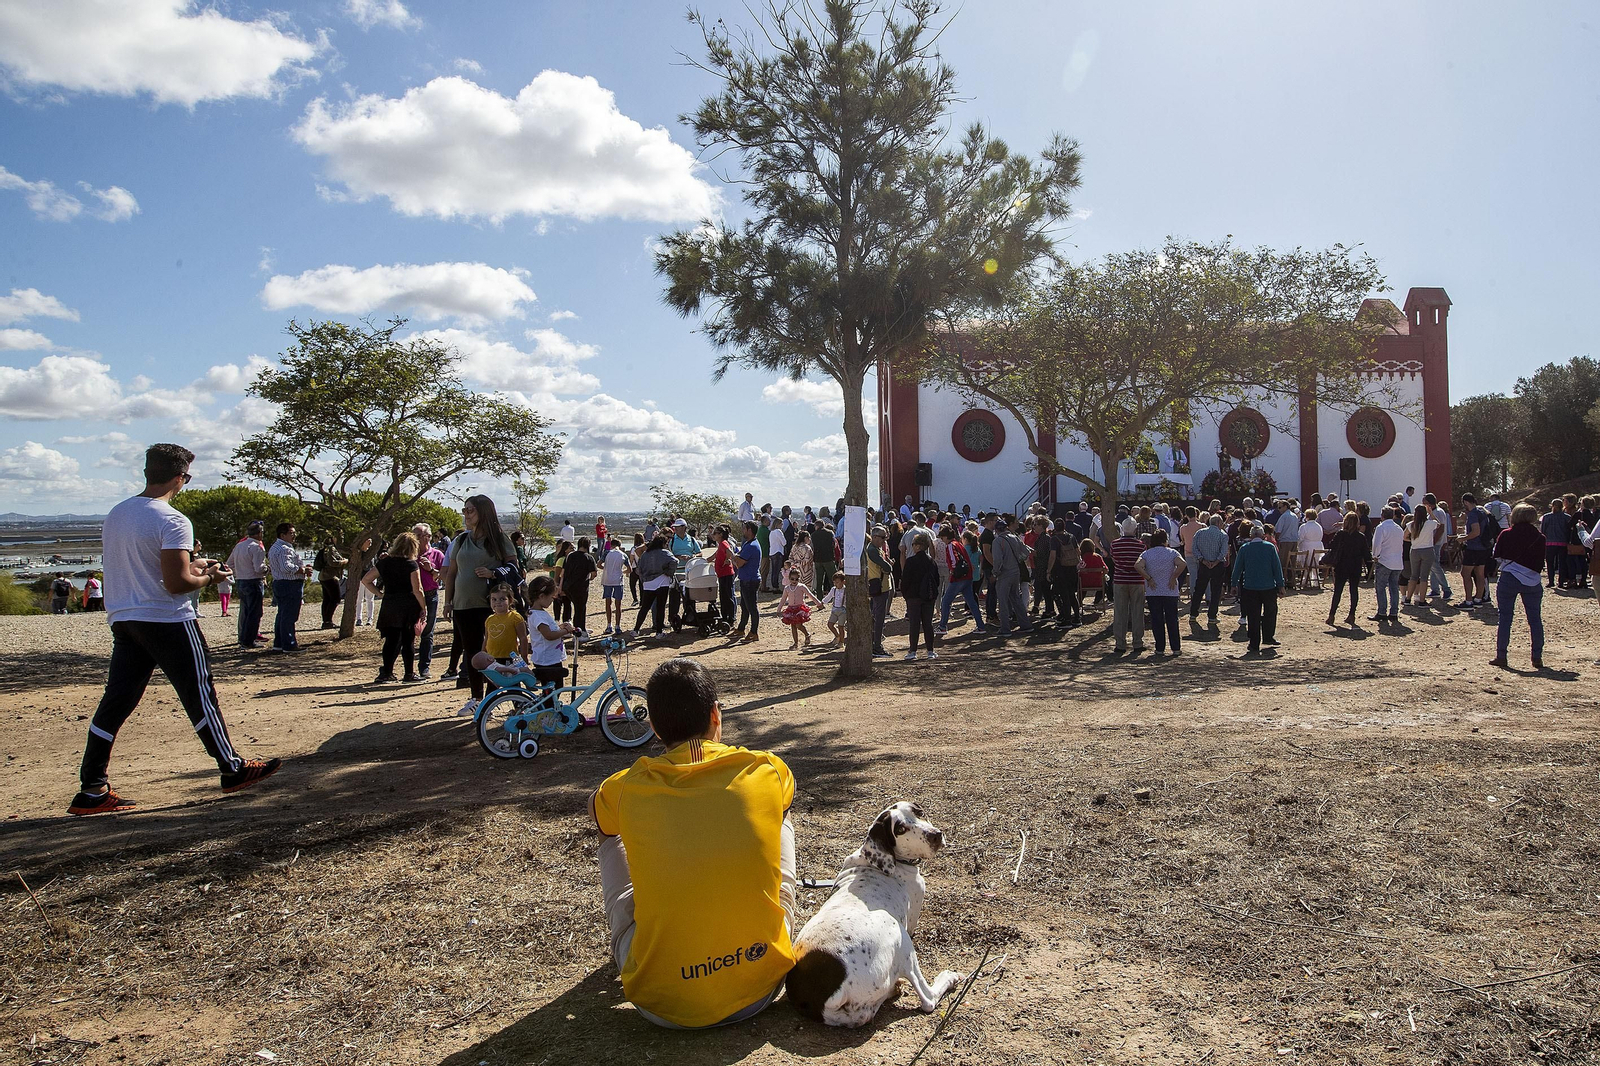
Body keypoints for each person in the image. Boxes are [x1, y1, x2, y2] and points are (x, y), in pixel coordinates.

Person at [68, 443, 280, 816]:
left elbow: (148, 567)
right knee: (199, 694)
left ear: (149, 471)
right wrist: (209, 576)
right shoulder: (173, 519)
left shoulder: (118, 514)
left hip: (126, 618)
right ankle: (231, 767)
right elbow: (177, 584)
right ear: (181, 477)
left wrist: (193, 564)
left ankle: (92, 787)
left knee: (116, 702)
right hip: (167, 619)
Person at [591, 659, 796, 1029]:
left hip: (663, 1005)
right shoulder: (767, 768)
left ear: (653, 727)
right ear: (716, 715)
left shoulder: (623, 788)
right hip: (761, 988)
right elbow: (780, 809)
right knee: (780, 815)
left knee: (610, 835)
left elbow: (598, 817)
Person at [443, 494, 517, 718]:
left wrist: (493, 573)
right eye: (464, 510)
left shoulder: (499, 539)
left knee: (494, 653)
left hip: (492, 607)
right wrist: (448, 601)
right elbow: (452, 573)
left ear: (483, 512)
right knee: (472, 652)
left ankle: (491, 699)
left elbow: (514, 568)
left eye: (470, 510)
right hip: (463, 606)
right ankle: (476, 698)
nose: (466, 514)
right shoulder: (462, 540)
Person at [1491, 503, 1547, 670]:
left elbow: (1497, 554)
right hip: (1533, 580)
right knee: (1535, 619)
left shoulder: (1506, 534)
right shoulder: (1540, 537)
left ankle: (1502, 656)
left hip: (1509, 577)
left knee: (1505, 618)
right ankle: (1537, 657)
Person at [368, 531, 426, 683]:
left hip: (390, 604)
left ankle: (387, 672)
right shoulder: (411, 565)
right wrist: (423, 607)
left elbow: (366, 580)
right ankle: (409, 673)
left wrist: (379, 594)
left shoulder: (385, 562)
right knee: (408, 641)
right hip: (408, 605)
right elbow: (417, 589)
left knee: (391, 640)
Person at [1231, 523, 1284, 654]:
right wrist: (1281, 585)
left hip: (1250, 586)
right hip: (1268, 586)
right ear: (1263, 536)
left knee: (1253, 615)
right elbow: (1277, 568)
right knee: (1270, 612)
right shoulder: (1270, 547)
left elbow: (1237, 568)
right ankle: (1268, 636)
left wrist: (1233, 584)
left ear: (1250, 536)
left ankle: (1254, 642)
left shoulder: (1244, 548)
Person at [1136, 528, 1185, 655]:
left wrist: (1149, 578)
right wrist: (1174, 577)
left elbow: (1138, 566)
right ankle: (1175, 648)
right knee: (1172, 619)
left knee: (1157, 620)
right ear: (1165, 540)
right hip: (1170, 591)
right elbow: (1182, 564)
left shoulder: (1146, 554)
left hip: (1153, 591)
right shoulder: (1172, 552)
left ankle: (1160, 648)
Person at [469, 583, 531, 679]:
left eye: (502, 599)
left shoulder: (515, 617)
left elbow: (523, 638)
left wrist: (524, 656)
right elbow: (486, 639)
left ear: (510, 600)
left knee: (513, 683)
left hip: (510, 658)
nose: (498, 602)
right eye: (494, 599)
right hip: (492, 659)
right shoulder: (489, 619)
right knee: (493, 686)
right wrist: (483, 654)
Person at [267, 521, 311, 652]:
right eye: (291, 533)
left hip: (280, 583)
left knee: (282, 614)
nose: (294, 536)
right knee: (289, 616)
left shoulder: (275, 547)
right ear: (282, 535)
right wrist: (303, 570)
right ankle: (289, 644)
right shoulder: (284, 548)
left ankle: (279, 643)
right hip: (289, 584)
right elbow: (286, 567)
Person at [1323, 512, 1371, 627]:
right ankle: (1352, 615)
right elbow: (1366, 554)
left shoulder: (1340, 534)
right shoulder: (1360, 536)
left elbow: (1332, 546)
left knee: (1338, 591)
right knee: (1353, 590)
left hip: (1341, 565)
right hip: (1355, 566)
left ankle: (1332, 615)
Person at [226, 522, 269, 648]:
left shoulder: (239, 546)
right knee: (255, 612)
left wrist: (238, 572)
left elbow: (230, 563)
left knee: (245, 611)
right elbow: (259, 568)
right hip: (253, 581)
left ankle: (243, 638)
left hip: (241, 580)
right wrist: (268, 569)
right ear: (259, 533)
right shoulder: (257, 547)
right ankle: (249, 641)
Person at [990, 519, 1033, 641]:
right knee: (1016, 599)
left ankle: (1005, 629)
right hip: (1016, 572)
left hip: (1004, 574)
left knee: (1003, 602)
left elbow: (998, 560)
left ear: (997, 530)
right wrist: (1018, 560)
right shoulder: (1014, 537)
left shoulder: (997, 541)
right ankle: (1025, 625)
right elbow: (1026, 552)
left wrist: (995, 573)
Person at [936, 526, 984, 635]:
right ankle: (981, 626)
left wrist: (953, 572)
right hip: (967, 576)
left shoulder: (950, 545)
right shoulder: (958, 544)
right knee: (971, 602)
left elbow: (954, 561)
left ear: (945, 537)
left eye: (942, 537)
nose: (941, 540)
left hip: (959, 577)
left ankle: (942, 626)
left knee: (945, 601)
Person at [1110, 519, 1147, 654]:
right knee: (1137, 612)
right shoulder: (1141, 545)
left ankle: (1120, 643)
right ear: (1135, 529)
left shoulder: (1115, 544)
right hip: (1137, 580)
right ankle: (1138, 642)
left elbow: (1114, 560)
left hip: (1120, 580)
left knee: (1120, 612)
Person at [901, 531, 939, 660]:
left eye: (913, 544)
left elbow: (905, 580)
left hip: (913, 597)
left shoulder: (910, 561)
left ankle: (912, 651)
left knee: (914, 624)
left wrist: (906, 595)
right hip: (928, 597)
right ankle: (930, 651)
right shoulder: (931, 562)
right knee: (928, 624)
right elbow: (937, 580)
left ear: (918, 546)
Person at [413, 523, 444, 679]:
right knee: (409, 632)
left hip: (430, 595)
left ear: (428, 537)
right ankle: (408, 670)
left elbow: (444, 576)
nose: (416, 539)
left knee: (427, 632)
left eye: (419, 536)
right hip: (411, 595)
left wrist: (431, 569)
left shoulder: (437, 555)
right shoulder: (409, 554)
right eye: (415, 536)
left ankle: (424, 667)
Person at [630, 536, 678, 638]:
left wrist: (644, 579)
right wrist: (668, 572)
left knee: (645, 608)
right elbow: (675, 561)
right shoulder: (665, 553)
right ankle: (659, 632)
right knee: (661, 607)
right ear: (663, 544)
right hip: (662, 581)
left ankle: (636, 629)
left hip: (648, 583)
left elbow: (639, 569)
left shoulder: (645, 555)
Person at [1189, 514, 1229, 624]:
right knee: (1215, 591)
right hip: (1217, 565)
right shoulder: (1223, 535)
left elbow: (1194, 549)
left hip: (1203, 564)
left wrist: (1203, 560)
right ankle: (1212, 616)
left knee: (1199, 589)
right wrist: (1216, 561)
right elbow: (1224, 551)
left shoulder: (1199, 533)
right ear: (1219, 523)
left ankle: (1193, 613)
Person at [1458, 492, 1492, 609]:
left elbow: (1475, 532)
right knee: (1480, 574)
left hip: (1473, 547)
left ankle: (1468, 601)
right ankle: (1478, 599)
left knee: (1465, 573)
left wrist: (1463, 538)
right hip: (1483, 547)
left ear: (1466, 502)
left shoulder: (1473, 514)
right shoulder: (1482, 512)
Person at [778, 566, 823, 650]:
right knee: (793, 626)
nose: (794, 581)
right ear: (789, 578)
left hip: (799, 609)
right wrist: (778, 609)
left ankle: (807, 634)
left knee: (799, 625)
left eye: (796, 579)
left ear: (799, 579)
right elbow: (783, 599)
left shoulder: (802, 586)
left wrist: (818, 603)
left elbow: (810, 595)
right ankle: (795, 643)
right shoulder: (787, 588)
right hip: (791, 609)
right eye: (792, 579)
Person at [1404, 505, 1440, 608]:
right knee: (1424, 577)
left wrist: (1412, 541)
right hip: (1427, 550)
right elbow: (1438, 524)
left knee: (1414, 575)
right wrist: (1431, 513)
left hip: (1415, 550)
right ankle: (1422, 600)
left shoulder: (1411, 524)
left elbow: (1404, 536)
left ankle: (1407, 598)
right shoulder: (1430, 524)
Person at [866, 525, 894, 658]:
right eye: (883, 537)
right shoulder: (872, 550)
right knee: (879, 618)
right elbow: (887, 567)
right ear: (875, 537)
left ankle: (874, 644)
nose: (885, 540)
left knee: (876, 616)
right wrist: (887, 566)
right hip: (879, 587)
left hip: (881, 586)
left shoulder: (876, 549)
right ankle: (877, 647)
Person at [732, 521, 762, 644]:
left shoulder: (751, 546)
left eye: (744, 529)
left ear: (749, 530)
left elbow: (739, 563)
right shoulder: (749, 544)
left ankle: (754, 632)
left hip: (750, 580)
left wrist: (732, 557)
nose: (743, 531)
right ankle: (741, 628)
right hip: (746, 580)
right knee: (745, 606)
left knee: (752, 607)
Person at [563, 536, 598, 638]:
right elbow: (594, 574)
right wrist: (589, 579)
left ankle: (577, 628)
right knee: (580, 609)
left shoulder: (570, 556)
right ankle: (579, 632)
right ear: (588, 546)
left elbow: (565, 571)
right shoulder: (589, 558)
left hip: (568, 586)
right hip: (581, 587)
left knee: (573, 607)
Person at [599, 538, 630, 636]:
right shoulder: (623, 554)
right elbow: (629, 569)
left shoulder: (607, 553)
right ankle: (617, 626)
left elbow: (599, 564)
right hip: (618, 581)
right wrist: (622, 572)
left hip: (607, 580)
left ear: (611, 545)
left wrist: (606, 569)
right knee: (618, 604)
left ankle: (609, 625)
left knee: (608, 603)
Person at [314, 540, 346, 629]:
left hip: (324, 576)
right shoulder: (331, 548)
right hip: (330, 576)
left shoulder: (326, 549)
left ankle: (326, 621)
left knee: (327, 599)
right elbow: (333, 562)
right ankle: (328, 621)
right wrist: (344, 561)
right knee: (335, 598)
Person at [712, 525, 738, 629]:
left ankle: (730, 619)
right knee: (724, 596)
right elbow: (714, 556)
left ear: (721, 535)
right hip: (723, 574)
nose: (713, 535)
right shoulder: (720, 545)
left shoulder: (723, 544)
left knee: (727, 596)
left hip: (726, 574)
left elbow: (731, 553)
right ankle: (725, 618)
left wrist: (733, 561)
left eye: (715, 533)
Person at [1078, 538, 1107, 611]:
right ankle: (1096, 601)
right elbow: (1106, 570)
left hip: (1084, 583)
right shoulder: (1097, 557)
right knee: (1105, 584)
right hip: (1097, 583)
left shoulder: (1081, 558)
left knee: (1080, 582)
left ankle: (1079, 602)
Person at [823, 571, 848, 648]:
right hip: (834, 610)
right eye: (834, 582)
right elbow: (829, 597)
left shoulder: (846, 590)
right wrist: (822, 602)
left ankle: (841, 642)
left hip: (843, 611)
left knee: (841, 626)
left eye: (837, 582)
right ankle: (837, 636)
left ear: (843, 582)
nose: (835, 584)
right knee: (830, 624)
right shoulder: (833, 589)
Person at [812, 520, 837, 596]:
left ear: (816, 526)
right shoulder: (830, 533)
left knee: (819, 581)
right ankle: (836, 595)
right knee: (833, 578)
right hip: (828, 558)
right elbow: (834, 544)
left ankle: (819, 598)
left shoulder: (813, 535)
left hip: (818, 559)